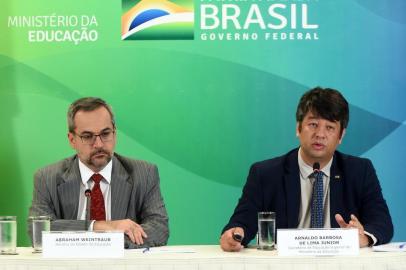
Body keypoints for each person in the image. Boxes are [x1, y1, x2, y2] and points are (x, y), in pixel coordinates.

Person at [220, 87, 393, 251]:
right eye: (313, 124)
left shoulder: (360, 171)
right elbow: (241, 223)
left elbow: (382, 223)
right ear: (298, 128)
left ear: (341, 136)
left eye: (330, 128)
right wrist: (234, 235)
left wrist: (362, 238)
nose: (320, 134)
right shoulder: (265, 174)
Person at [28, 97, 169, 248]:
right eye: (87, 136)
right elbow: (39, 231)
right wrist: (102, 227)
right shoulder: (47, 178)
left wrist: (105, 245)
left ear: (114, 134)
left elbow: (159, 228)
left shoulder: (144, 174)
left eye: (105, 133)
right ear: (72, 140)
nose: (99, 144)